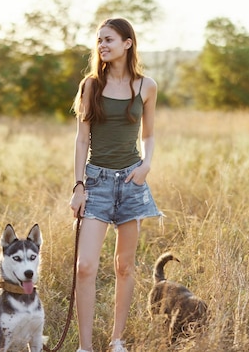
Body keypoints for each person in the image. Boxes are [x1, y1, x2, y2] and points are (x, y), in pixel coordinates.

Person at [69, 18, 163, 352]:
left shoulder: (146, 86)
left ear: (127, 43)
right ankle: (84, 346)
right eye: (98, 41)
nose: (102, 45)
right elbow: (82, 140)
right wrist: (79, 185)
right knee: (85, 267)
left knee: (125, 266)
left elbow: (148, 133)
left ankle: (117, 341)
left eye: (108, 39)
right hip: (96, 182)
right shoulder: (91, 86)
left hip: (131, 182)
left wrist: (146, 165)